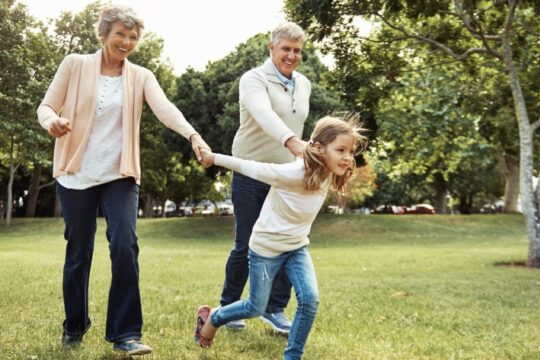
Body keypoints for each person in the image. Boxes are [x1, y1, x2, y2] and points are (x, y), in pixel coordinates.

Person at [36, 4, 210, 356]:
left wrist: (194, 136)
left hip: (120, 174)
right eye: (120, 35)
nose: (127, 42)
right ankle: (74, 327)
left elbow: (165, 109)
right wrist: (51, 121)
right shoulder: (74, 64)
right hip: (77, 173)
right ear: (103, 35)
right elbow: (46, 106)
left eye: (133, 37)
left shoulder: (141, 76)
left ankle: (126, 334)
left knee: (125, 245)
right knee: (79, 252)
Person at [194, 115, 368, 360]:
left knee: (310, 300)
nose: (348, 157)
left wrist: (337, 156)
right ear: (318, 148)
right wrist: (214, 158)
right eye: (340, 150)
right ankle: (214, 317)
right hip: (266, 250)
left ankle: (292, 356)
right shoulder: (292, 173)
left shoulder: (328, 170)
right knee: (255, 307)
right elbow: (252, 167)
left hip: (297, 248)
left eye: (350, 151)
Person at [219, 21, 311, 333]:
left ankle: (274, 309)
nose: (291, 55)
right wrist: (291, 142)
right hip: (251, 170)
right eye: (285, 48)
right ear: (271, 47)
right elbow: (263, 113)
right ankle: (230, 306)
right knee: (246, 243)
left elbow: (297, 126)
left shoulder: (305, 83)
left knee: (286, 241)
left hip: (286, 176)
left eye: (297, 50)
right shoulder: (253, 79)